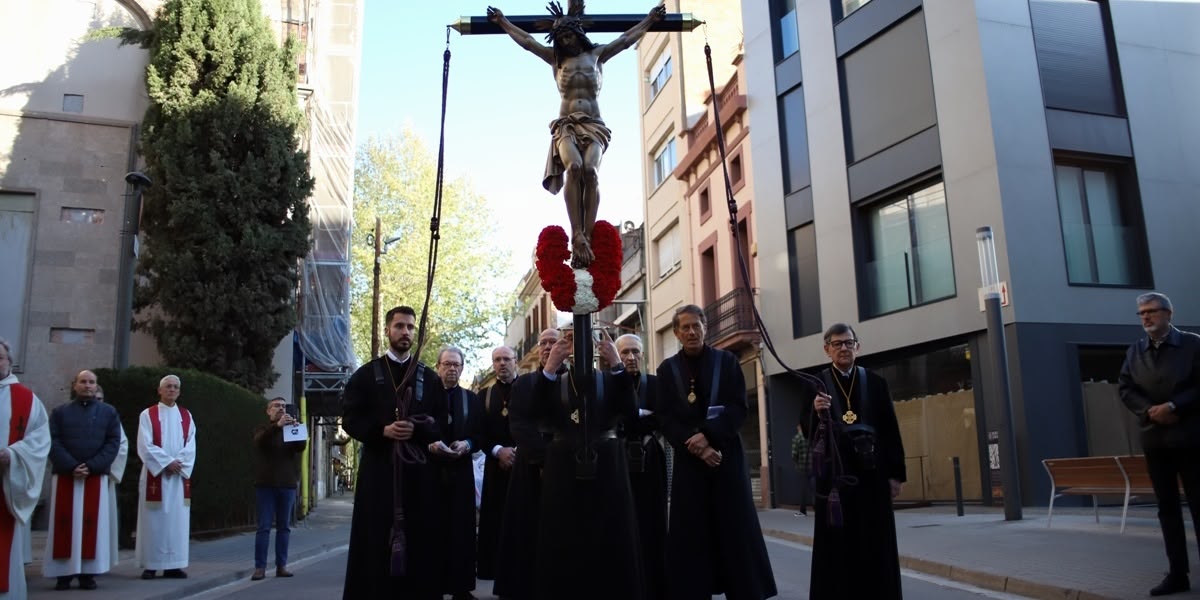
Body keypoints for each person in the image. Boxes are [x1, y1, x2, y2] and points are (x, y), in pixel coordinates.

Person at [487, 2, 665, 266]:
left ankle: (588, 234)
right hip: (566, 124)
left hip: (594, 124)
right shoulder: (556, 60)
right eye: (560, 38)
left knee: (590, 172)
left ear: (578, 34)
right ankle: (576, 233)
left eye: (568, 36)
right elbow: (526, 41)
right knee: (574, 167)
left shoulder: (597, 55)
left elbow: (626, 39)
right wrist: (503, 22)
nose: (566, 41)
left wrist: (650, 20)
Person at [655, 305, 777, 600]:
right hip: (689, 462)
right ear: (676, 333)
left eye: (696, 325)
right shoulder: (667, 370)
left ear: (705, 327)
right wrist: (694, 444)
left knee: (735, 530)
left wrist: (708, 438)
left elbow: (739, 408)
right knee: (691, 534)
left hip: (725, 458)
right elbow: (665, 417)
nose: (691, 332)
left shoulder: (727, 362)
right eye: (685, 327)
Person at [341, 306, 447, 600]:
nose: (405, 332)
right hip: (378, 473)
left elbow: (440, 422)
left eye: (411, 327)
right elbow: (350, 419)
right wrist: (382, 431)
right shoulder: (365, 375)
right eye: (399, 326)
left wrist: (417, 430)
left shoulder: (428, 377)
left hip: (418, 476)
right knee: (375, 539)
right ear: (387, 330)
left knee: (420, 540)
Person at [530, 326, 642, 600]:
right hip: (563, 469)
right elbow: (536, 413)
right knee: (563, 541)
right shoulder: (553, 381)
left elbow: (631, 411)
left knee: (611, 540)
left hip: (607, 467)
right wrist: (551, 367)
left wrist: (617, 364)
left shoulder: (610, 378)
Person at [804, 323, 906, 599]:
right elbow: (806, 430)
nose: (843, 348)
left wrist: (895, 474)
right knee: (837, 547)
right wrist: (814, 411)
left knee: (876, 542)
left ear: (857, 347)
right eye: (837, 344)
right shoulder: (816, 385)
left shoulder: (875, 382)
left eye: (848, 343)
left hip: (872, 474)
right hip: (834, 479)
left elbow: (890, 429)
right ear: (827, 349)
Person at [1118, 292, 1200, 596]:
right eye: (1141, 313)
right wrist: (1149, 411)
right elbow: (1126, 388)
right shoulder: (1135, 351)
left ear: (1168, 313)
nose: (1146, 317)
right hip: (1156, 440)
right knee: (1167, 509)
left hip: (1191, 439)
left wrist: (1174, 406)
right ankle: (1177, 574)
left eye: (1151, 311)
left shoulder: (1192, 344)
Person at [493, 329, 558, 600]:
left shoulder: (576, 379)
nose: (545, 347)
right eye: (542, 343)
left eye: (552, 343)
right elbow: (519, 424)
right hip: (531, 466)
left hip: (565, 466)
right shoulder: (524, 383)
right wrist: (543, 458)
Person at [43, 370, 122, 590]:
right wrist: (71, 465)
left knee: (90, 526)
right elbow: (52, 440)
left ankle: (88, 573)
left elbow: (113, 442)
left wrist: (92, 465)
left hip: (94, 478)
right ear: (75, 385)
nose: (88, 386)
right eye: (83, 382)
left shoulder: (109, 413)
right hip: (67, 477)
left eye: (92, 382)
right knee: (65, 524)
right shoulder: (60, 413)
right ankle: (63, 574)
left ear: (97, 386)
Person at [616, 333, 667, 599]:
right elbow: (613, 421)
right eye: (624, 352)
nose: (630, 357)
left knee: (652, 522)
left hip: (651, 459)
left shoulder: (657, 385)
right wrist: (639, 415)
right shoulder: (610, 385)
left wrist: (633, 418)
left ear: (643, 355)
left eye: (635, 352)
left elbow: (662, 418)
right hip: (618, 462)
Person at [0, 338, 50, 598]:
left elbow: (40, 440)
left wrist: (13, 454)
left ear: (9, 361)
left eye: (0, 357)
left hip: (6, 484)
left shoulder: (27, 400)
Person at [432, 347, 483, 600]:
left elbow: (480, 434)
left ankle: (461, 588)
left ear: (462, 368)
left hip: (461, 473)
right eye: (447, 364)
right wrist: (431, 444)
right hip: (431, 473)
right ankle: (433, 586)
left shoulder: (471, 400)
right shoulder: (425, 398)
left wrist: (468, 445)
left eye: (457, 365)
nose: (452, 369)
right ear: (438, 366)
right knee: (433, 530)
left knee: (461, 532)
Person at [135, 374, 197, 580]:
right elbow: (145, 444)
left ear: (179, 392)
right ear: (159, 390)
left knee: (177, 522)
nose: (172, 390)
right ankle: (151, 565)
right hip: (157, 477)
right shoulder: (148, 414)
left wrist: (178, 463)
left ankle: (174, 565)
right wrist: (166, 463)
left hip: (178, 478)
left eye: (175, 387)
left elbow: (191, 444)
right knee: (154, 520)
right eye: (168, 386)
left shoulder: (186, 415)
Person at [250, 397, 307, 581]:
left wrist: (297, 428)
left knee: (284, 528)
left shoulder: (292, 429)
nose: (281, 409)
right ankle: (260, 567)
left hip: (287, 485)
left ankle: (281, 566)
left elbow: (301, 447)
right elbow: (260, 443)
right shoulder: (263, 429)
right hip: (265, 485)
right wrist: (277, 427)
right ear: (268, 411)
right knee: (264, 527)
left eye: (283, 406)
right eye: (277, 406)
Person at [476, 346, 518, 584]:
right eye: (497, 360)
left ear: (516, 361)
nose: (502, 363)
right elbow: (479, 432)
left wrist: (517, 452)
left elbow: (537, 424)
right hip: (495, 467)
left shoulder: (529, 388)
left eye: (506, 359)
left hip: (525, 466)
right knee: (495, 524)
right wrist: (498, 451)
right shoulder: (484, 396)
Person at [94, 386, 128, 576]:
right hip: (75, 475)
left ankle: (99, 560)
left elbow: (120, 445)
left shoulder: (109, 416)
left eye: (100, 399)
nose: (97, 401)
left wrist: (101, 465)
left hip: (101, 476)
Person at [790, 423, 809, 516]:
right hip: (814, 466)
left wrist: (796, 463)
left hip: (802, 467)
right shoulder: (812, 436)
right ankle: (817, 508)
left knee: (803, 489)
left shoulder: (797, 438)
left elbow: (794, 454)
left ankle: (803, 511)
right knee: (816, 488)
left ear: (799, 427)